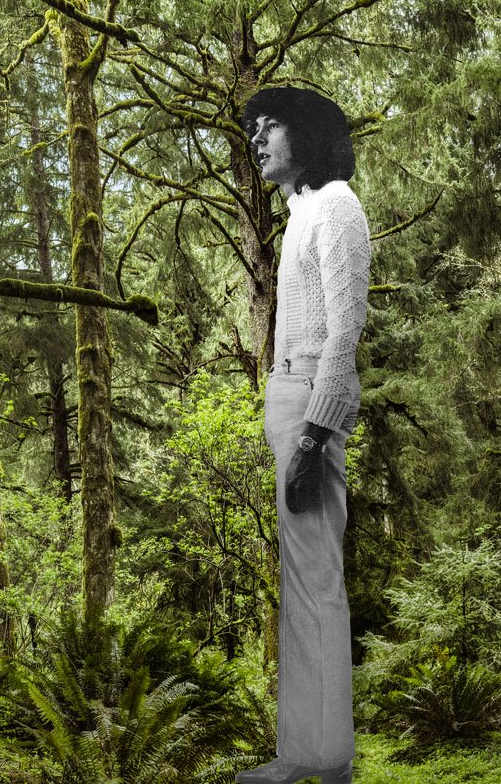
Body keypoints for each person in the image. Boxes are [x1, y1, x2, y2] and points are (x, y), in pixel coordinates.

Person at [235, 87, 371, 784]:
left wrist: (315, 436)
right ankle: (304, 754)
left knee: (319, 584)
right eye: (252, 130)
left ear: (310, 133)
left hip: (311, 413)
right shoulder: (302, 215)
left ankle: (330, 761)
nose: (257, 139)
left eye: (271, 125)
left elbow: (345, 331)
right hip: (292, 403)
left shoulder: (337, 205)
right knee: (302, 584)